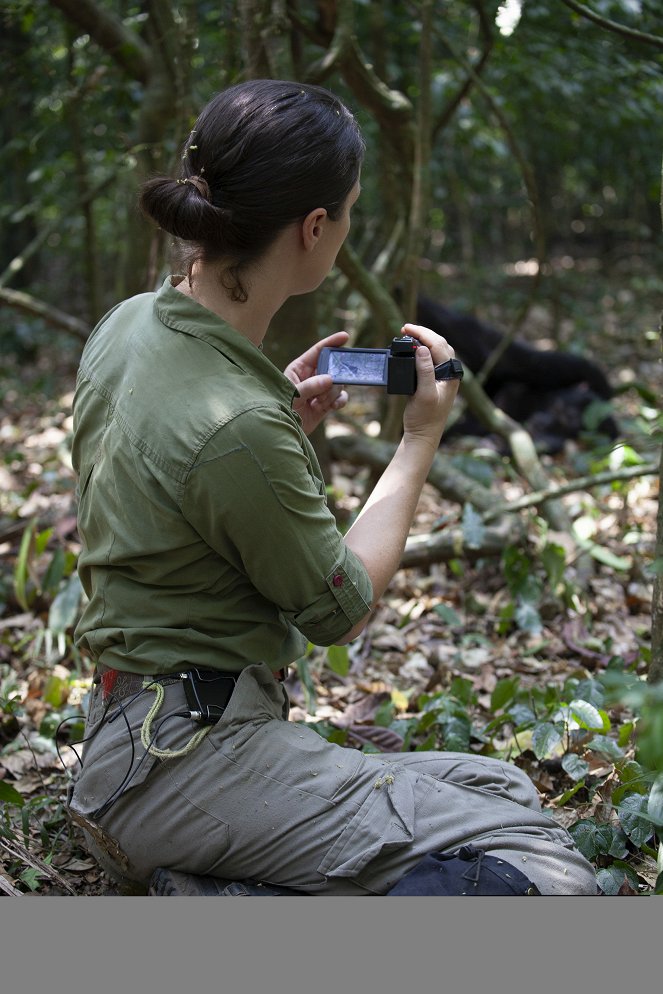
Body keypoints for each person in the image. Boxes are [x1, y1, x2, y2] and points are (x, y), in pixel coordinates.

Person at [66, 78, 597, 896]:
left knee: (499, 790)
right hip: (184, 766)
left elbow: (166, 479)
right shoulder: (237, 427)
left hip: (134, 742)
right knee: (546, 879)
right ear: (315, 227)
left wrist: (275, 418)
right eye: (346, 211)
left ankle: (214, 887)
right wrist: (420, 436)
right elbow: (339, 609)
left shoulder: (131, 323)